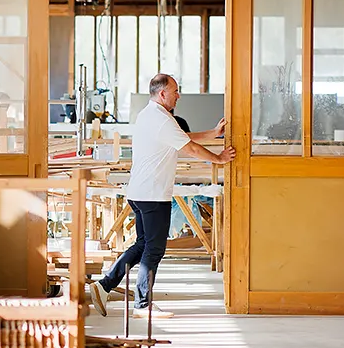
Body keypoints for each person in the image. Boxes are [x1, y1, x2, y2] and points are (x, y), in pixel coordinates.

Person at [90, 73, 235, 318]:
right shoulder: (161, 119)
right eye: (175, 91)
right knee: (154, 249)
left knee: (142, 245)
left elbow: (182, 137)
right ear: (162, 93)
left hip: (140, 192)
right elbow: (189, 147)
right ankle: (142, 305)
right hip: (153, 194)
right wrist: (218, 159)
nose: (178, 95)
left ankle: (105, 285)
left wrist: (213, 133)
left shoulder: (151, 116)